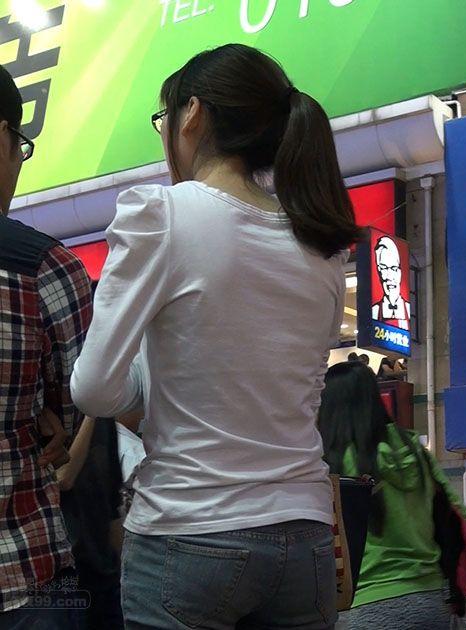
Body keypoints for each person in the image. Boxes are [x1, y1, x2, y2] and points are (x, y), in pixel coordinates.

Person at [70, 43, 362, 629]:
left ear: (193, 114)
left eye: (165, 118)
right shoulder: (321, 246)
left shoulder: (163, 215)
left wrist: (151, 392)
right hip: (304, 536)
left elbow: (95, 388)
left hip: (189, 530)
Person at [0, 66, 92, 626]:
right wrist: (39, 415)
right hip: (22, 569)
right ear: (3, 138)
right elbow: (82, 399)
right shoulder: (44, 267)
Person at [318, 361, 466, 630]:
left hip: (367, 603)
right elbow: (461, 515)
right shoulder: (414, 450)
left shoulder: (333, 464)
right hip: (431, 600)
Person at [59, 417, 124, 630]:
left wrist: (123, 570)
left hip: (105, 572)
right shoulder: (36, 414)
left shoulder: (102, 419)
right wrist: (91, 412)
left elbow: (113, 502)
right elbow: (63, 478)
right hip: (66, 579)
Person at [372, 236, 411, 330]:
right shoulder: (374, 311)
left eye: (394, 268)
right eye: (384, 268)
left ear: (400, 272)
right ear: (378, 271)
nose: (389, 276)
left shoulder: (409, 308)